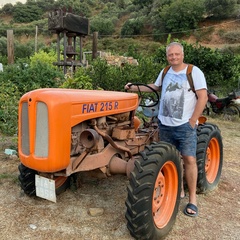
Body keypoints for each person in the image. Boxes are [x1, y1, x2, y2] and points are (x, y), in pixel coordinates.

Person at [124, 42, 208, 217]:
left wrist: (192, 120)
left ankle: (193, 199)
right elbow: (154, 87)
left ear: (182, 55)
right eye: (171, 55)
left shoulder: (194, 72)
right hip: (165, 124)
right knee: (170, 158)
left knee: (189, 159)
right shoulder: (165, 72)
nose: (174, 57)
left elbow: (203, 97)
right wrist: (133, 87)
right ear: (167, 56)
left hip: (185, 125)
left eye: (177, 54)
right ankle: (179, 189)